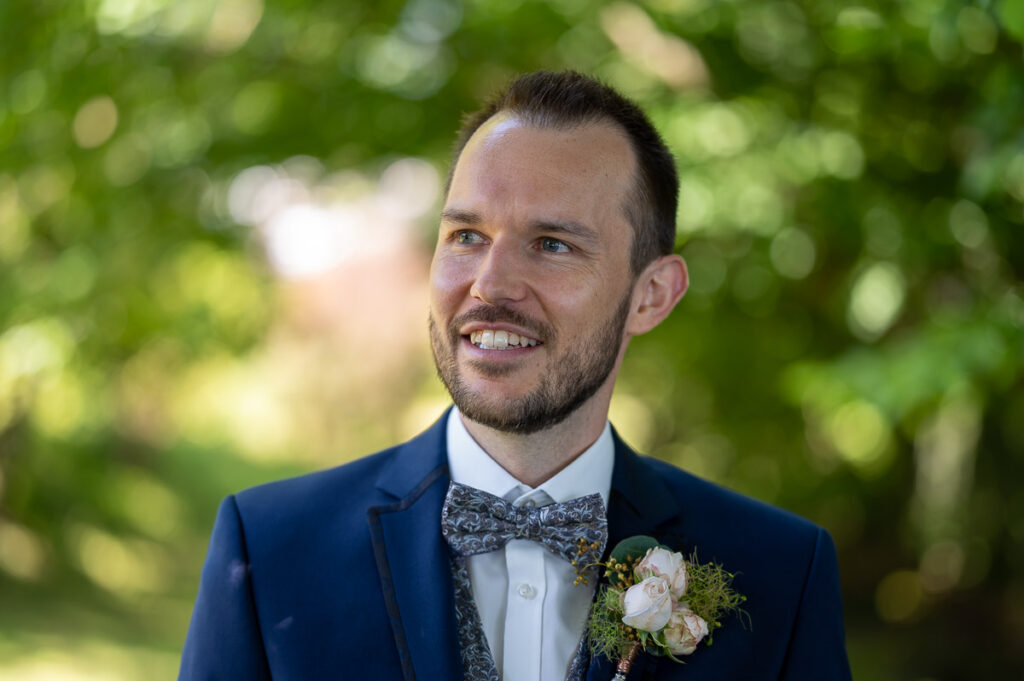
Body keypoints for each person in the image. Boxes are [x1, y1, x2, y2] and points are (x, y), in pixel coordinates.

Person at [178, 70, 852, 681]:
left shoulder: (781, 574)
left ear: (650, 295)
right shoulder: (268, 551)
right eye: (466, 236)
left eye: (552, 244)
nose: (490, 284)